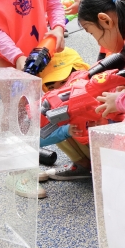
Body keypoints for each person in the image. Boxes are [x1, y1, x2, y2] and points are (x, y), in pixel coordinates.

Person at [36, 48, 92, 184]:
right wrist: (66, 131)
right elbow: (37, 138)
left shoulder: (95, 88)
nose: (59, 89)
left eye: (63, 81)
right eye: (51, 87)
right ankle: (82, 165)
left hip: (109, 154)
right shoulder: (52, 104)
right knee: (54, 119)